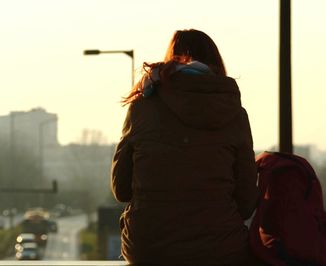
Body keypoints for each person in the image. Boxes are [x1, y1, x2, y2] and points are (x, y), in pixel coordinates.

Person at [111, 29, 259, 266]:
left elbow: (121, 189)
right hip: (219, 249)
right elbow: (246, 201)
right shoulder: (233, 114)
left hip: (149, 249)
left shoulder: (142, 109)